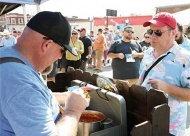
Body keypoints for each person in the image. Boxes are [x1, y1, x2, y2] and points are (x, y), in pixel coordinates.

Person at [0, 11, 88, 136]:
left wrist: (66, 96)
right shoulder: (24, 86)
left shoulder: (7, 56)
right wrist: (73, 111)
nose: (59, 57)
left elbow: (32, 100)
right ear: (47, 45)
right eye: (62, 51)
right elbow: (27, 95)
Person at [139, 12, 190, 136]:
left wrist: (167, 88)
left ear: (173, 33)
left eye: (158, 32)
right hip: (144, 122)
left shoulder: (185, 59)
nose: (152, 36)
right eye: (151, 32)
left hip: (170, 128)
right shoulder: (147, 54)